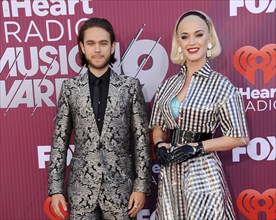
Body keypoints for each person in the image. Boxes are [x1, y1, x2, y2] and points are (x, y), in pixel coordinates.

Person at [149, 10, 249, 220]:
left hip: (203, 172)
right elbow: (158, 125)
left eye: (198, 34)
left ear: (209, 38)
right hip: (170, 172)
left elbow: (240, 136)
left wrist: (197, 147)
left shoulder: (221, 85)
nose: (191, 42)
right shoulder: (168, 85)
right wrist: (159, 144)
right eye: (184, 36)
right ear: (178, 42)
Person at [48, 17, 151, 219]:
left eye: (103, 43)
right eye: (91, 43)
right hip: (81, 189)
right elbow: (59, 141)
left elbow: (141, 141)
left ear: (112, 47)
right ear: (82, 47)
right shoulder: (70, 89)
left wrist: (141, 186)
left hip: (122, 188)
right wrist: (55, 189)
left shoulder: (129, 87)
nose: (97, 50)